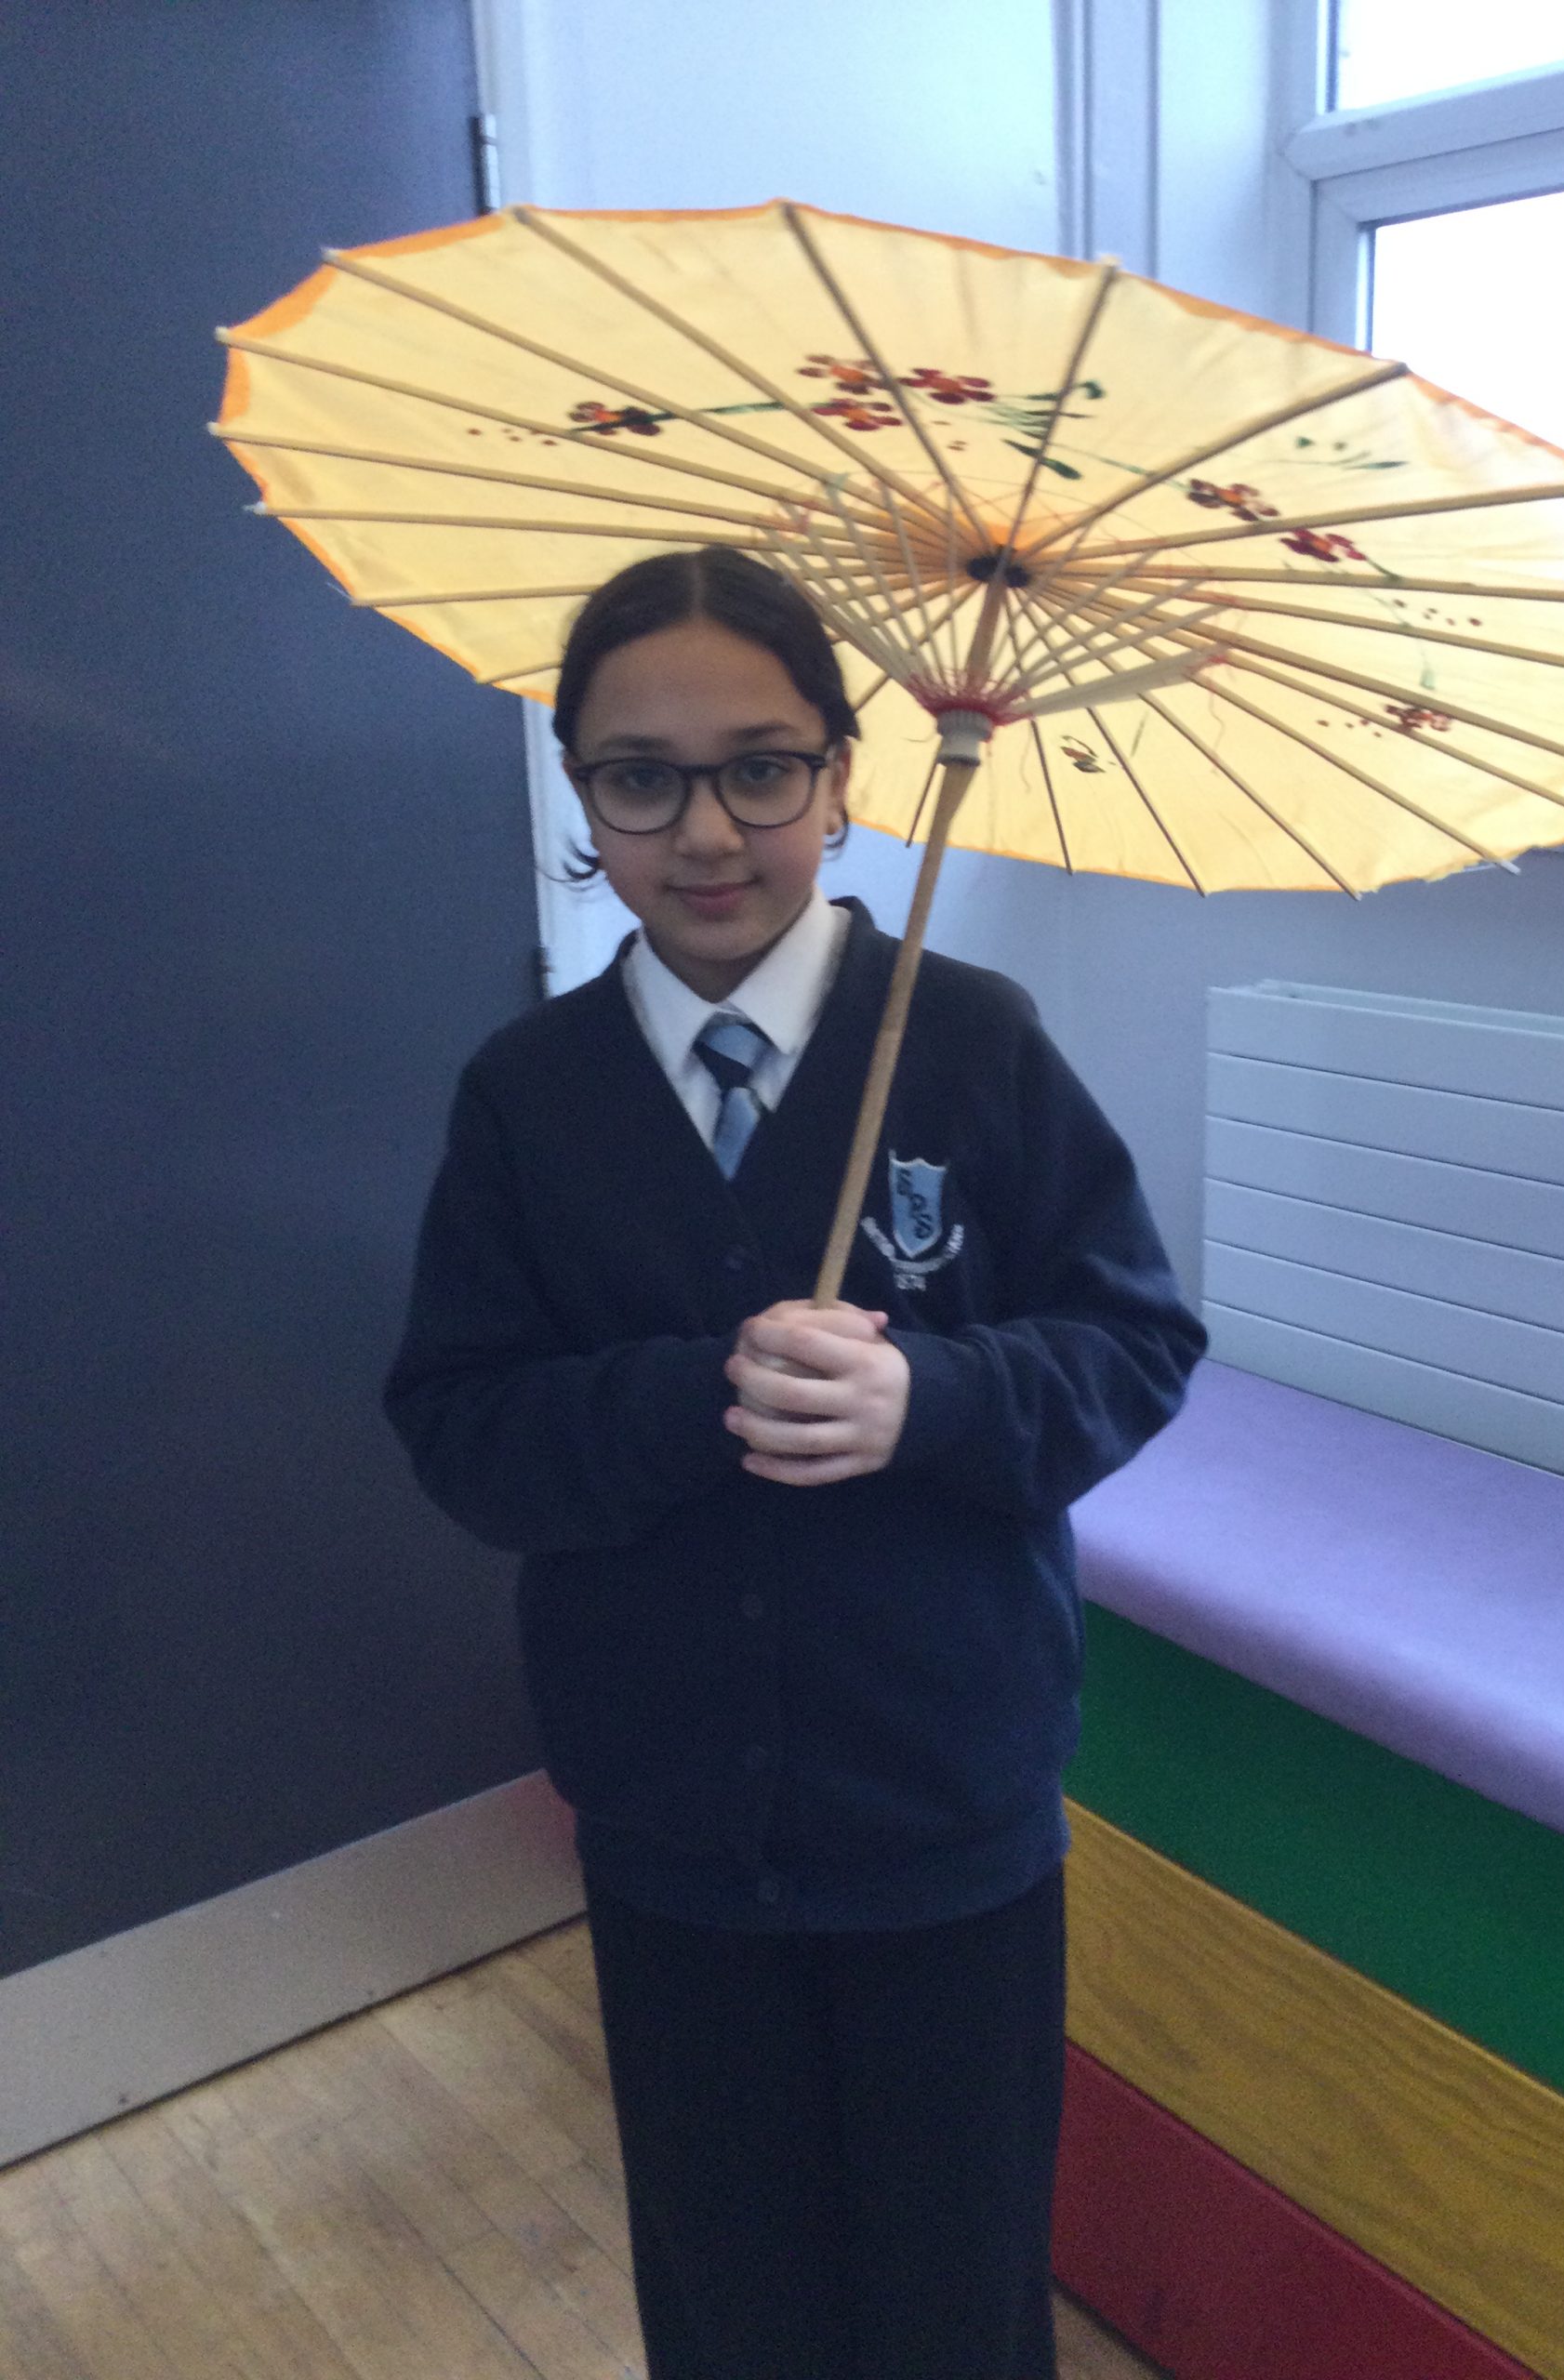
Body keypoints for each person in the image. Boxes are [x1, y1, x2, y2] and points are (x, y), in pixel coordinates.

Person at [382, 544, 1209, 2380]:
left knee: (953, 2286)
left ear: (843, 773)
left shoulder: (975, 1044)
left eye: (760, 767)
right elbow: (462, 1427)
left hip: (946, 1808)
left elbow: (1133, 1341)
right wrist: (689, 1398)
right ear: (581, 791)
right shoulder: (529, 1095)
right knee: (731, 2277)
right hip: (670, 1820)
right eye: (640, 776)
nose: (705, 830)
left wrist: (938, 1400)